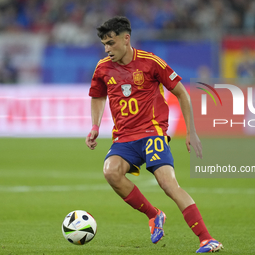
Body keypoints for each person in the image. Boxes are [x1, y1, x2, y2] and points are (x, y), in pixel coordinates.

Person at [85, 16, 223, 253]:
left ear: (126, 39)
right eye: (104, 45)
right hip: (124, 138)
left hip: (152, 133)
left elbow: (182, 93)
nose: (107, 49)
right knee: (111, 172)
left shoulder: (151, 62)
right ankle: (154, 214)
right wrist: (95, 126)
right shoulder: (102, 68)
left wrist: (191, 131)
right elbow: (98, 96)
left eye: (111, 43)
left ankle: (207, 239)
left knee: (168, 184)